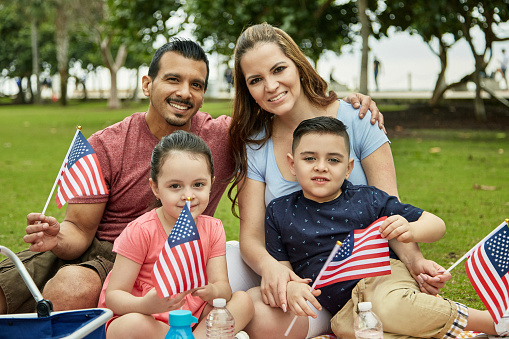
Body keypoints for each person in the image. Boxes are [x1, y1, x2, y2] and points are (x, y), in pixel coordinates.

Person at [0, 37, 378, 315]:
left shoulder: (227, 136)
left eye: (196, 85)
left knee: (70, 287)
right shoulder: (108, 143)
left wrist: (345, 103)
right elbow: (79, 234)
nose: (185, 92)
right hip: (102, 247)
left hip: (150, 259)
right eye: (173, 80)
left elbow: (281, 104)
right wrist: (54, 236)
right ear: (148, 84)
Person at [225, 23, 449, 338]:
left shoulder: (357, 118)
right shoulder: (255, 144)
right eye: (256, 80)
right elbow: (250, 237)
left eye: (278, 69)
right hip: (295, 275)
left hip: (358, 277)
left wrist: (415, 262)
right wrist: (274, 271)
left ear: (298, 66)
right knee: (218, 266)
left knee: (260, 318)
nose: (271, 85)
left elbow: (392, 211)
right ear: (248, 89)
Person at [265, 116, 509, 338]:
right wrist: (291, 288)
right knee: (352, 329)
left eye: (333, 159)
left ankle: (492, 321)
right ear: (292, 164)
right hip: (344, 306)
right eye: (309, 158)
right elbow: (283, 270)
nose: (321, 166)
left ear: (349, 168)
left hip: (383, 277)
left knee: (386, 306)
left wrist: (410, 230)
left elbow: (438, 225)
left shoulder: (367, 199)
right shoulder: (279, 211)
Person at [99, 130, 253, 338]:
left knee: (243, 302)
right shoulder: (141, 230)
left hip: (193, 317)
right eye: (175, 186)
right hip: (148, 317)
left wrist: (212, 291)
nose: (188, 196)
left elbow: (223, 289)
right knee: (132, 325)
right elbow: (114, 297)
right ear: (155, 187)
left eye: (198, 185)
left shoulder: (213, 228)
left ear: (211, 183)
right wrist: (146, 304)